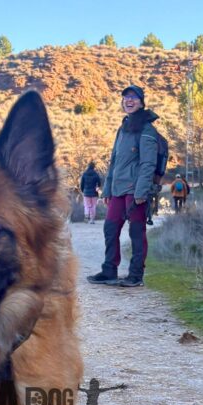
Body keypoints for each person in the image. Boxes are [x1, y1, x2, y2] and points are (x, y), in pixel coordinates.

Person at [87, 84, 160, 288]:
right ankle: (109, 271)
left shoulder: (147, 129)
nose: (129, 100)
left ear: (142, 102)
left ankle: (136, 275)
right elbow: (114, 161)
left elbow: (148, 164)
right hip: (118, 190)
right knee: (110, 229)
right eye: (126, 97)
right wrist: (108, 189)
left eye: (133, 97)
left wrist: (141, 191)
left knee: (136, 233)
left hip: (135, 190)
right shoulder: (123, 127)